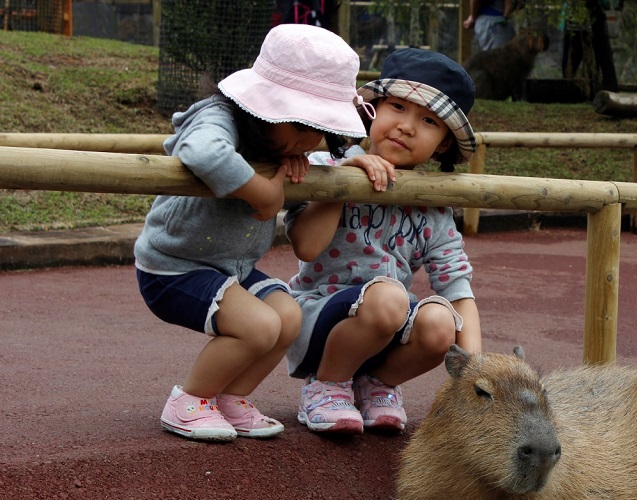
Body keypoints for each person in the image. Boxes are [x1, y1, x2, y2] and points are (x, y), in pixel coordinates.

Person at [133, 24, 368, 442]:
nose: (305, 140)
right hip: (173, 265)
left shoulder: (287, 149)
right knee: (259, 326)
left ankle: (229, 397)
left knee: (288, 316)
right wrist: (263, 194)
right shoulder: (218, 116)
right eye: (296, 124)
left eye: (315, 129)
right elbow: (203, 151)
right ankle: (189, 400)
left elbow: (313, 179)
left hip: (232, 270)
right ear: (261, 106)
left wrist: (335, 171)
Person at [284, 48, 483, 435]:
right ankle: (326, 385)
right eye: (397, 107)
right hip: (317, 321)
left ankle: (375, 385)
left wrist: (476, 374)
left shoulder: (432, 208)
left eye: (428, 120)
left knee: (442, 323)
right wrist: (345, 179)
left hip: (387, 328)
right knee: (391, 298)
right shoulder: (328, 168)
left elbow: (458, 290)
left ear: (443, 143)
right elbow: (305, 246)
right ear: (371, 110)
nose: (407, 126)